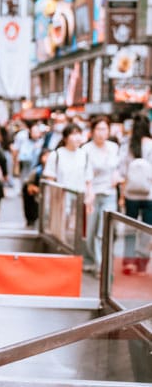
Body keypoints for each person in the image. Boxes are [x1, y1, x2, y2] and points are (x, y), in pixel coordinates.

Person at [81, 115, 121, 273]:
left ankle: (101, 266)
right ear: (92, 131)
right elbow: (87, 174)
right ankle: (92, 259)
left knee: (102, 232)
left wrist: (117, 178)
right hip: (92, 194)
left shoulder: (114, 147)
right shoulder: (86, 149)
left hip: (109, 194)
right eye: (98, 129)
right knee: (90, 232)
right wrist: (89, 194)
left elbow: (116, 169)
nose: (101, 133)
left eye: (104, 129)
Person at [118, 112, 152, 274]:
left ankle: (129, 260)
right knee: (147, 228)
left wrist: (122, 194)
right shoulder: (151, 145)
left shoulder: (127, 145)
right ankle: (142, 261)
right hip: (150, 194)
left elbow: (122, 172)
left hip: (131, 193)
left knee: (130, 228)